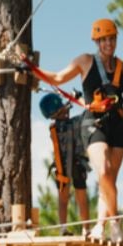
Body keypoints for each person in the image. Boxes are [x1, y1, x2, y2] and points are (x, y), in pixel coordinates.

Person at [37, 19, 123, 242]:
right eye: (104, 40)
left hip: (119, 125)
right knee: (103, 171)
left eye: (112, 39)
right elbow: (57, 78)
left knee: (109, 180)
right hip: (94, 122)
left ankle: (101, 227)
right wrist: (32, 69)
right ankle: (114, 223)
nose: (108, 44)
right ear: (97, 41)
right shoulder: (85, 61)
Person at [38, 92, 91, 235]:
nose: (67, 109)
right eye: (63, 108)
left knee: (63, 199)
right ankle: (86, 228)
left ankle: (63, 228)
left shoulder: (54, 128)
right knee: (81, 197)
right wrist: (79, 98)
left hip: (61, 168)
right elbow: (88, 112)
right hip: (76, 164)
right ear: (58, 112)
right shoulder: (72, 124)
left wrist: (68, 101)